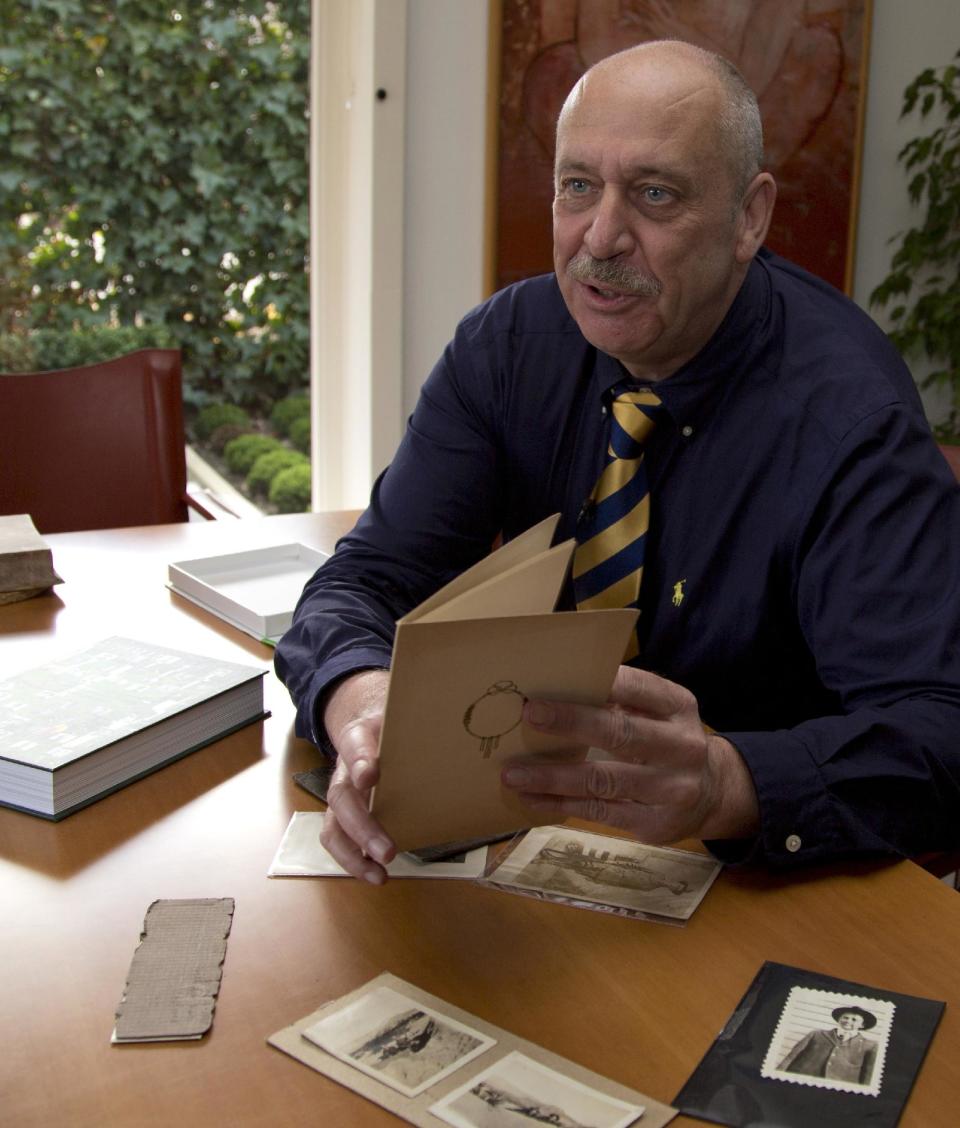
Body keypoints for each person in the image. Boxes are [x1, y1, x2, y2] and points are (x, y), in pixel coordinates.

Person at [275, 39, 960, 885]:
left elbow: (938, 729)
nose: (601, 236)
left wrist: (725, 782)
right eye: (577, 186)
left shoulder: (850, 421)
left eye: (655, 194)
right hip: (533, 849)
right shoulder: (507, 349)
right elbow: (362, 580)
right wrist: (362, 705)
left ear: (750, 218)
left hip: (760, 880)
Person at [778, 1005, 879, 1086]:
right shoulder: (816, 1034)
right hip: (799, 1080)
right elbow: (792, 1056)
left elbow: (867, 1077)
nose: (848, 1021)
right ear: (839, 1019)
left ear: (862, 1025)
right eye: (845, 1017)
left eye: (854, 1020)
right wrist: (778, 1073)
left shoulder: (870, 1046)